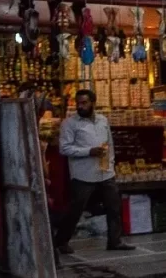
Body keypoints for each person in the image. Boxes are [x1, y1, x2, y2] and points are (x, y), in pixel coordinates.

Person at [54, 90, 135, 254]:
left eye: (84, 103)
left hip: (105, 172)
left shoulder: (102, 120)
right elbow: (64, 148)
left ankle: (115, 240)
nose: (80, 106)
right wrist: (88, 151)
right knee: (76, 209)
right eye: (78, 103)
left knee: (114, 207)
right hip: (83, 174)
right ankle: (61, 241)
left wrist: (111, 163)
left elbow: (109, 144)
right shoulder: (69, 124)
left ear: (93, 102)